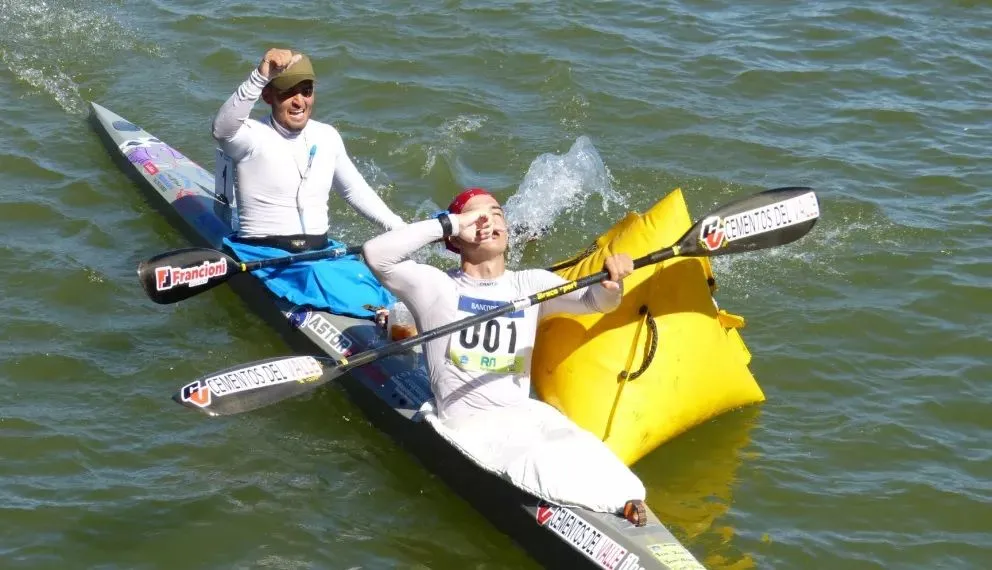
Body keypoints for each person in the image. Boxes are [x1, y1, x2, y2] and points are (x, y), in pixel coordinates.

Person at [363, 187, 648, 525]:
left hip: (522, 414)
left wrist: (612, 285)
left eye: (497, 213)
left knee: (595, 455)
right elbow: (376, 253)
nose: (489, 220)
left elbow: (594, 303)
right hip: (468, 425)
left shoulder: (530, 283)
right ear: (458, 237)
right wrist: (451, 223)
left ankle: (626, 505)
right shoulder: (436, 287)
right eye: (477, 216)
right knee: (537, 464)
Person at [211, 48, 404, 318]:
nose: (299, 101)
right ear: (268, 96)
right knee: (331, 282)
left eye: (306, 91)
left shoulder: (327, 136)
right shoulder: (251, 137)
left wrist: (398, 227)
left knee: (389, 285)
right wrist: (260, 75)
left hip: (321, 252)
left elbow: (353, 190)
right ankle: (376, 315)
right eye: (288, 92)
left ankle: (389, 313)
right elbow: (222, 129)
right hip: (266, 256)